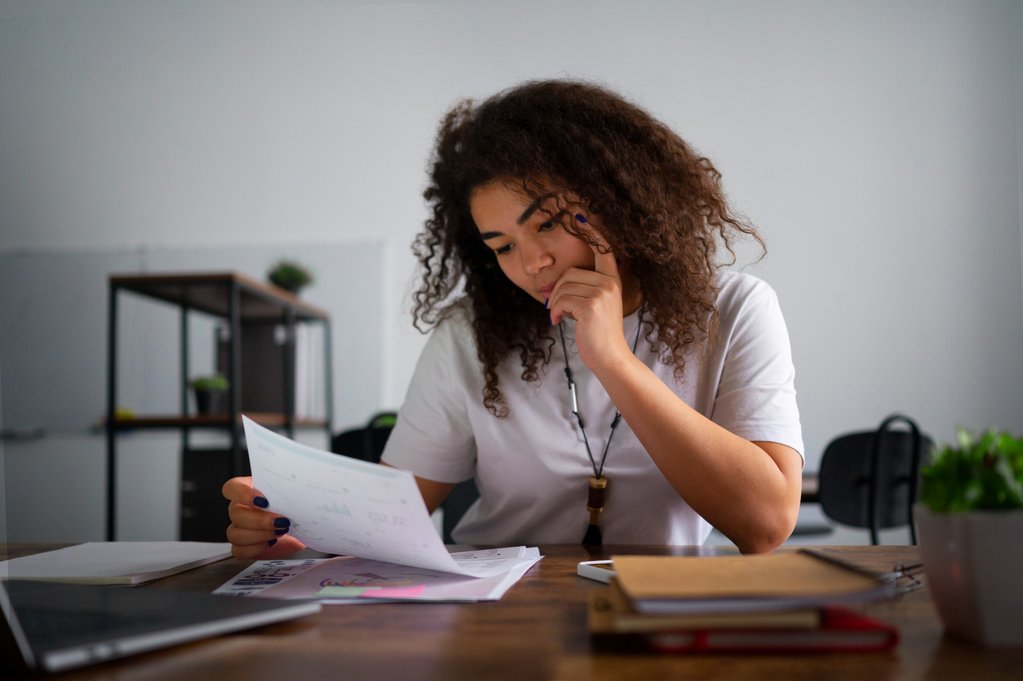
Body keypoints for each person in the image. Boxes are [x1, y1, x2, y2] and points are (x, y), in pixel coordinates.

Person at [223, 79, 804, 558]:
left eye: (548, 222)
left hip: (654, 612)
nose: (532, 263)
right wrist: (291, 525)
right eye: (502, 246)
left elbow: (766, 522)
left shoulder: (732, 310)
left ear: (618, 198)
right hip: (496, 608)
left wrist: (613, 360)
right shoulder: (472, 333)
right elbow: (391, 507)